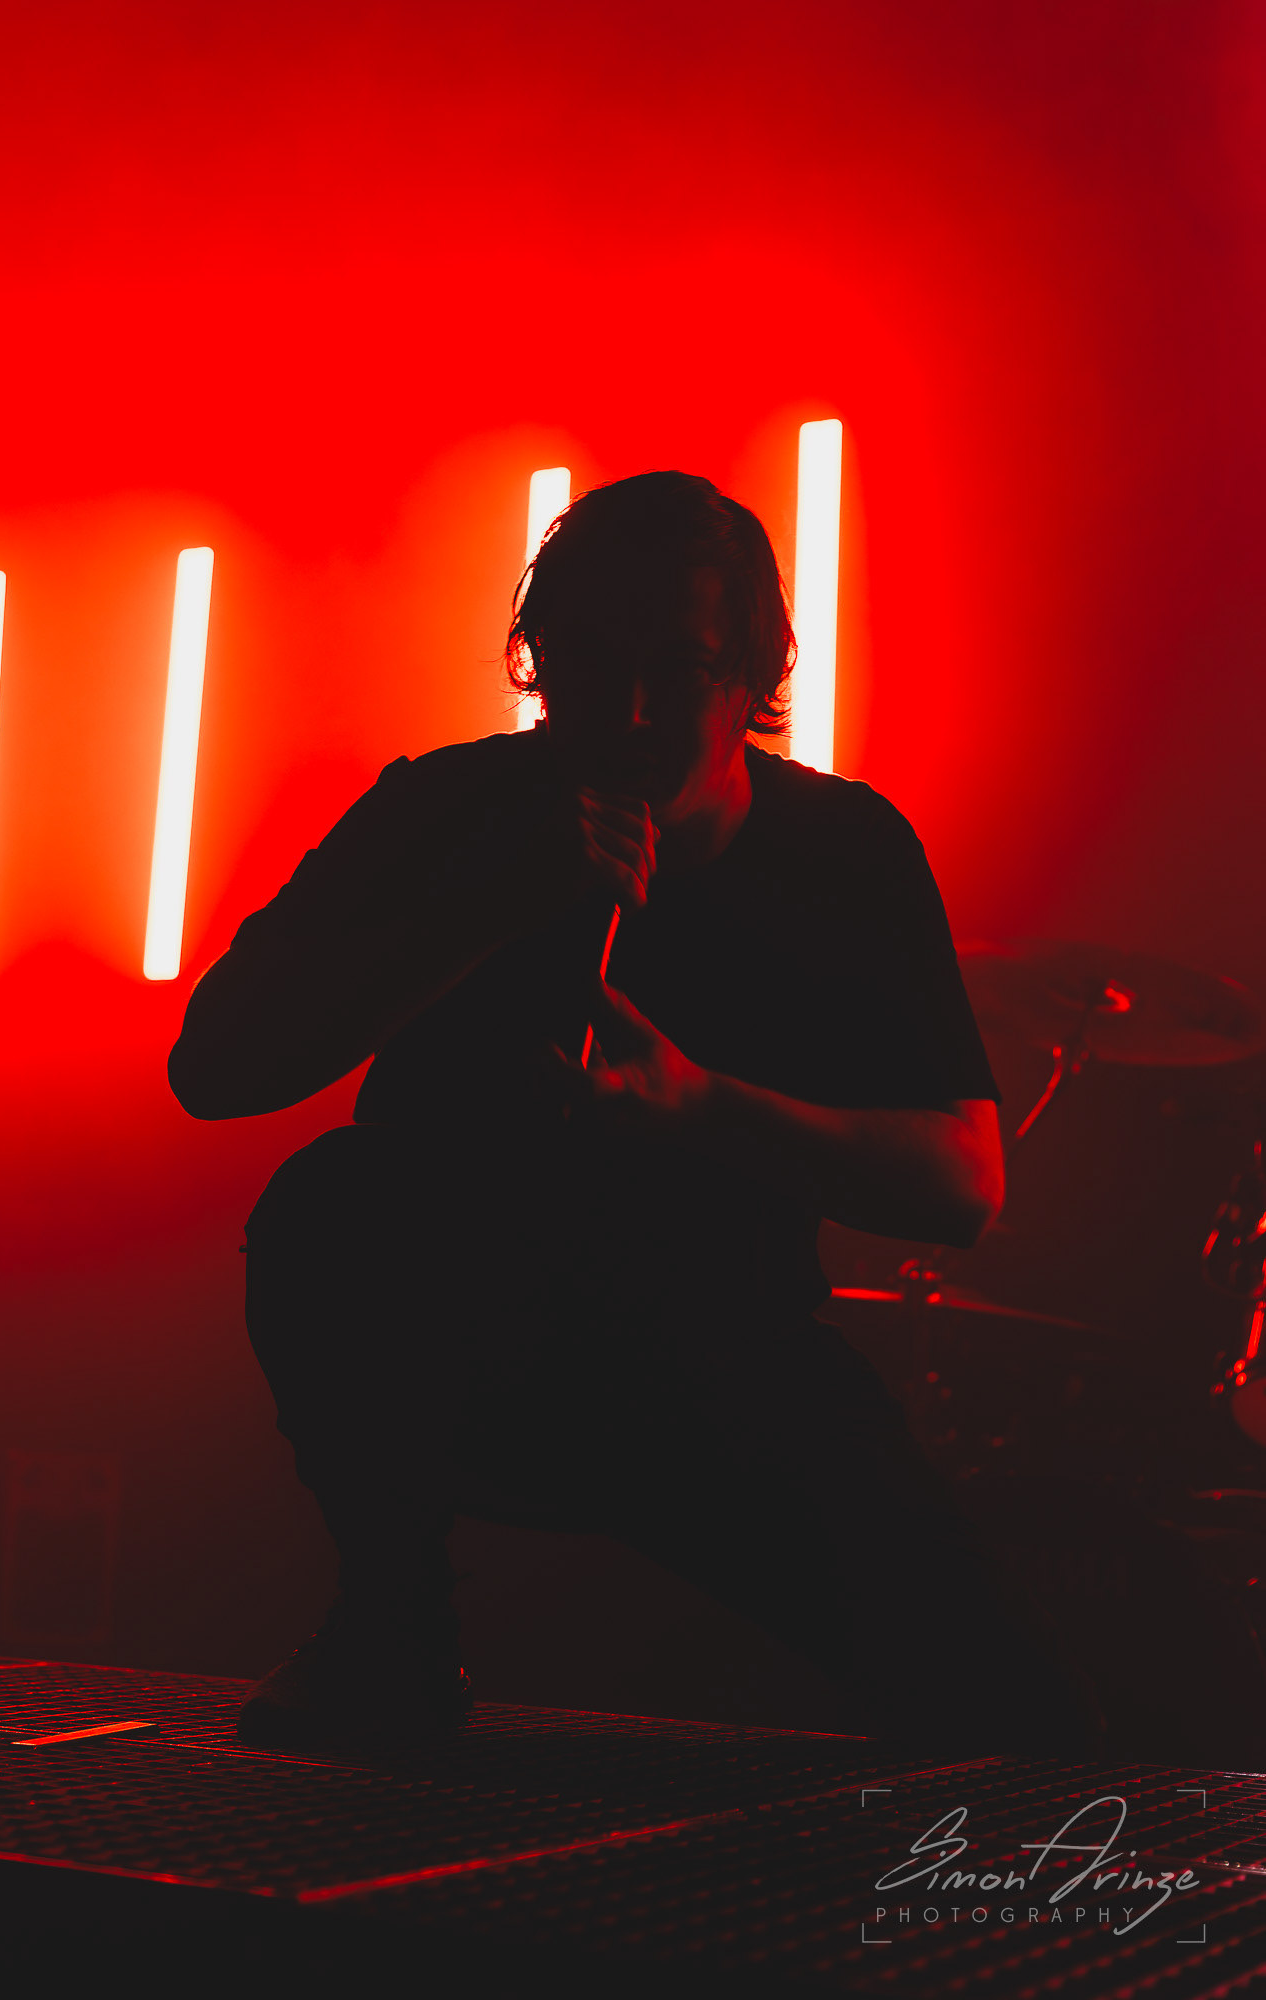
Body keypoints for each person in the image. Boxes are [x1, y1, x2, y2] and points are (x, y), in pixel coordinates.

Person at [168, 470, 1098, 1757]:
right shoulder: (440, 808)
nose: (632, 709)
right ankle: (389, 1625)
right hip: (474, 1347)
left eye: (682, 667)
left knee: (1011, 1720)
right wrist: (484, 901)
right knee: (331, 1200)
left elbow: (961, 1183)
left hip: (730, 1361)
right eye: (588, 662)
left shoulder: (845, 849)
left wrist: (698, 1104)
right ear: (535, 655)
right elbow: (213, 1069)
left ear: (760, 664)